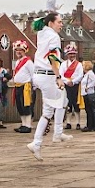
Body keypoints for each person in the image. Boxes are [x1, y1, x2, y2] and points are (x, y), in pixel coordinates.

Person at [27, 10, 74, 159]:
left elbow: (42, 21)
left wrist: (51, 10)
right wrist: (58, 77)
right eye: (59, 22)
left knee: (59, 102)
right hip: (48, 75)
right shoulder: (54, 37)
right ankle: (51, 136)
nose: (61, 24)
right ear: (51, 23)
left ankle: (44, 139)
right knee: (53, 108)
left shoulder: (42, 33)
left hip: (38, 75)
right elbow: (53, 58)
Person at [9, 40, 35, 133]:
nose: (18, 52)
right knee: (19, 106)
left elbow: (33, 75)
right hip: (17, 86)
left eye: (20, 50)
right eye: (17, 50)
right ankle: (23, 124)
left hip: (25, 86)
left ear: (24, 51)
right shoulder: (17, 62)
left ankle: (28, 125)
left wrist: (33, 87)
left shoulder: (28, 62)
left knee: (26, 105)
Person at [59, 45, 84, 130]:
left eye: (73, 54)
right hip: (66, 86)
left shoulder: (79, 65)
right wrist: (67, 81)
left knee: (76, 104)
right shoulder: (63, 64)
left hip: (76, 85)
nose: (72, 55)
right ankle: (68, 122)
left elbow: (81, 75)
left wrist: (73, 81)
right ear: (67, 55)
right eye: (70, 54)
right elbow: (61, 75)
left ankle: (78, 122)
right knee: (68, 104)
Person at [81, 60, 95, 131]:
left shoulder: (90, 73)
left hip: (89, 93)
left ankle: (91, 126)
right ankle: (90, 125)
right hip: (85, 93)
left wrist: (88, 86)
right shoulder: (86, 74)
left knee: (90, 110)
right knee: (88, 110)